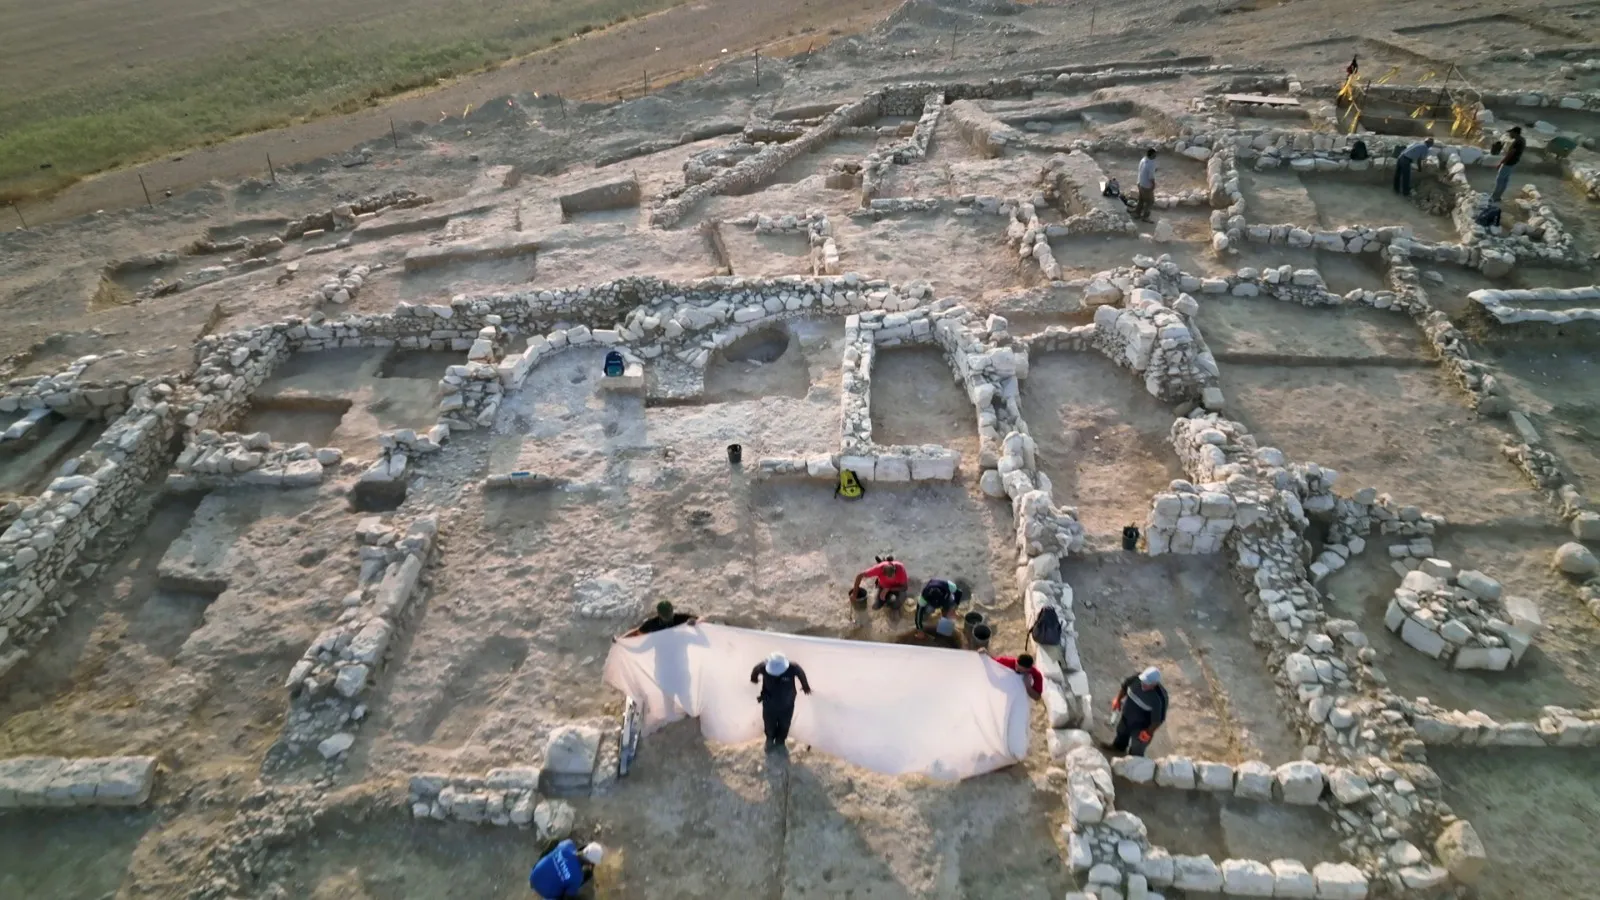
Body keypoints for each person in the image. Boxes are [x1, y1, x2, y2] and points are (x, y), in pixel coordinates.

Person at [751, 652, 811, 750]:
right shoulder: (762, 667)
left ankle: (780, 741)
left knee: (785, 725)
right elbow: (755, 671)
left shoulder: (793, 668)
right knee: (769, 724)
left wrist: (805, 686)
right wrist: (754, 679)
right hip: (769, 703)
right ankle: (769, 739)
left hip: (787, 705)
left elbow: (801, 674)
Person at [1108, 667, 1168, 757]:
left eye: (1147, 684)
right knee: (1121, 732)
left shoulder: (1160, 699)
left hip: (1142, 727)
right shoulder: (1136, 678)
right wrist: (1118, 699)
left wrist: (1148, 732)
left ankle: (1134, 761)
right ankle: (1118, 749)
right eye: (1143, 681)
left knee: (1138, 745)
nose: (1143, 684)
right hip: (1127, 716)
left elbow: (1158, 720)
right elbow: (1125, 687)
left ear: (1154, 684)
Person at [529, 840, 603, 898]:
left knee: (554, 841)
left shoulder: (567, 844)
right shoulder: (577, 877)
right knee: (585, 879)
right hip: (547, 894)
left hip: (534, 876)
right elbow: (568, 897)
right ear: (589, 862)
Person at [621, 600, 697, 638]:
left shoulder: (679, 618)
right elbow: (637, 632)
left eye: (670, 614)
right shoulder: (652, 624)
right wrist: (621, 639)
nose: (669, 617)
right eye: (666, 616)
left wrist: (694, 622)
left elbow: (700, 619)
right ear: (659, 615)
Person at [1490, 126, 1524, 202]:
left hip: (1508, 163)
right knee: (1505, 180)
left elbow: (1511, 153)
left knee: (1499, 180)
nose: (1509, 134)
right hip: (1513, 163)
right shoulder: (1522, 140)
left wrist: (1501, 163)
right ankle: (1498, 197)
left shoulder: (1517, 142)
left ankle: (1494, 197)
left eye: (1511, 132)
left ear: (1515, 132)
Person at [1134, 149, 1157, 222]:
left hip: (1140, 182)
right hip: (1146, 186)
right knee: (1150, 201)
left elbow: (1142, 170)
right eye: (1154, 154)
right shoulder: (1151, 164)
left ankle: (1137, 213)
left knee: (1141, 199)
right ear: (1151, 155)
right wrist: (1153, 185)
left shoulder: (1143, 159)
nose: (1156, 155)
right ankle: (1145, 217)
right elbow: (1151, 177)